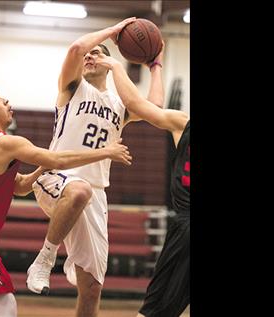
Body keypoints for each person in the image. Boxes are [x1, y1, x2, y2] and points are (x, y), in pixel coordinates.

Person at [26, 17, 165, 317]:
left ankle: (69, 260)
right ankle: (45, 259)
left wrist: (155, 66)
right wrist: (115, 31)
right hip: (57, 178)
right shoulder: (72, 88)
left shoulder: (119, 104)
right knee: (79, 190)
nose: (90, 56)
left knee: (91, 290)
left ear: (110, 62)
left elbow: (156, 108)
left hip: (95, 195)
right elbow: (77, 47)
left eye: (98, 54)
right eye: (89, 54)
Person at [0, 88, 132, 317]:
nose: (6, 100)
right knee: (5, 303)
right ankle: (44, 260)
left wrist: (42, 167)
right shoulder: (6, 143)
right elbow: (58, 160)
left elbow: (19, 186)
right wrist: (106, 151)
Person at [94, 51, 190, 317]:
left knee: (154, 310)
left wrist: (115, 65)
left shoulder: (184, 123)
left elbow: (138, 105)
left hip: (187, 229)